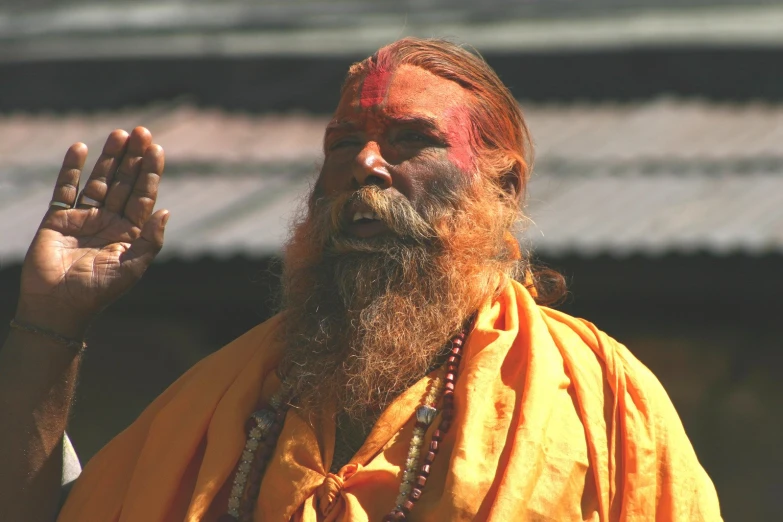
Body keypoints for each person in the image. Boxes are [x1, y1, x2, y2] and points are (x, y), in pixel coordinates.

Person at [0, 38, 722, 522]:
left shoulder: (600, 397)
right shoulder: (221, 399)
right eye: (343, 143)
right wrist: (53, 321)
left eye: (411, 140)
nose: (365, 166)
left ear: (503, 186)